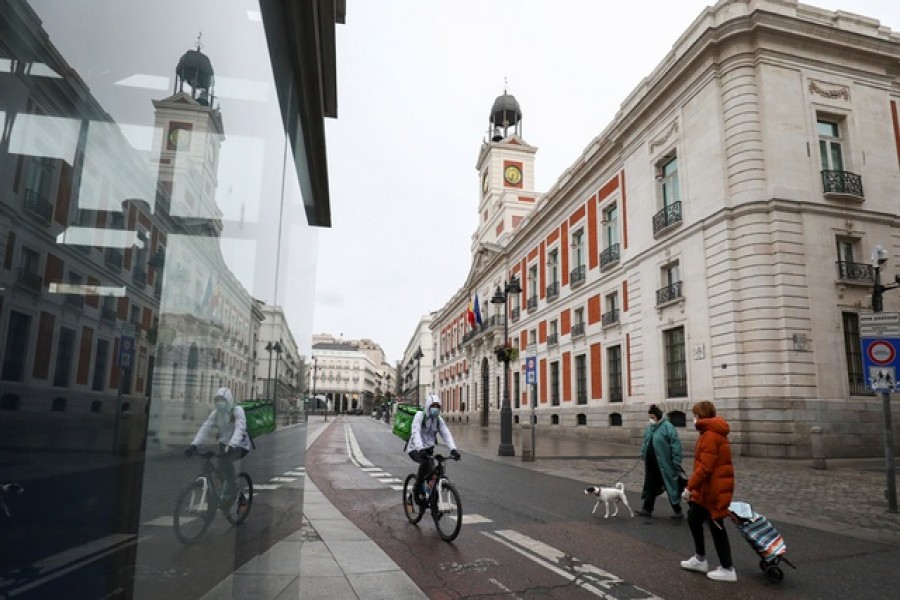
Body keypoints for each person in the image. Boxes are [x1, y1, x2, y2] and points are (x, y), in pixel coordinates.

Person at [680, 400, 737, 583]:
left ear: (701, 416)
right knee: (694, 518)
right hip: (707, 489)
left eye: (695, 415)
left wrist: (690, 486)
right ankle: (699, 558)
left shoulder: (710, 436)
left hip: (713, 489)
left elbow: (705, 467)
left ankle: (728, 569)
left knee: (716, 525)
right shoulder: (710, 433)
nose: (693, 419)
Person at [185, 387, 253, 502]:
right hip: (224, 444)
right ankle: (222, 495)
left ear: (228, 400)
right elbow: (206, 427)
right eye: (217, 400)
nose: (219, 402)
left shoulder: (237, 410)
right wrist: (194, 444)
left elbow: (240, 428)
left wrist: (232, 445)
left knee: (226, 463)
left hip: (240, 445)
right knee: (220, 470)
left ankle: (233, 493)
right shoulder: (216, 413)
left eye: (222, 399)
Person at [407, 394, 460, 505]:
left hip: (428, 449)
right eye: (433, 405)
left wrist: (453, 449)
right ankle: (416, 489)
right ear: (428, 406)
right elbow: (415, 432)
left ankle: (430, 496)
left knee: (434, 472)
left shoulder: (438, 420)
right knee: (426, 463)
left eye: (437, 406)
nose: (435, 408)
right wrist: (420, 448)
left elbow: (446, 434)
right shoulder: (420, 415)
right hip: (415, 448)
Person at [637, 404, 684, 519]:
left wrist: (676, 460)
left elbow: (675, 444)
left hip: (665, 464)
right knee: (651, 485)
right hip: (652, 464)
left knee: (671, 486)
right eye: (650, 417)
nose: (650, 419)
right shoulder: (650, 428)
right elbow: (646, 441)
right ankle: (647, 509)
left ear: (657, 416)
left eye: (652, 417)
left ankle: (678, 510)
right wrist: (643, 452)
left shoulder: (668, 427)